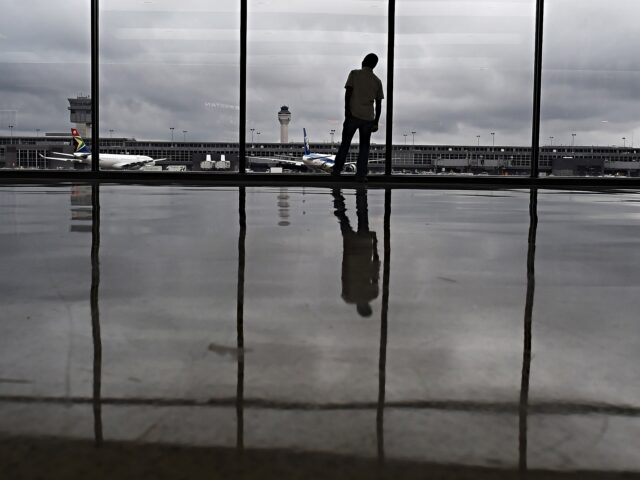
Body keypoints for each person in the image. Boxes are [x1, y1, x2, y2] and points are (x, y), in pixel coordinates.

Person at [332, 53, 384, 181]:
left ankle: (337, 171)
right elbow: (379, 104)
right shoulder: (377, 81)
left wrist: (346, 111)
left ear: (364, 61)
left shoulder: (354, 74)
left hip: (353, 115)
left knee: (345, 144)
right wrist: (376, 122)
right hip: (368, 118)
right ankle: (361, 175)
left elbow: (348, 94)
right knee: (364, 147)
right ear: (374, 65)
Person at [332, 187, 380, 317]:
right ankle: (337, 199)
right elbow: (345, 275)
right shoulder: (349, 297)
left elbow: (375, 268)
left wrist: (374, 243)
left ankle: (341, 198)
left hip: (363, 251)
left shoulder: (371, 294)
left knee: (362, 215)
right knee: (344, 220)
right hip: (353, 256)